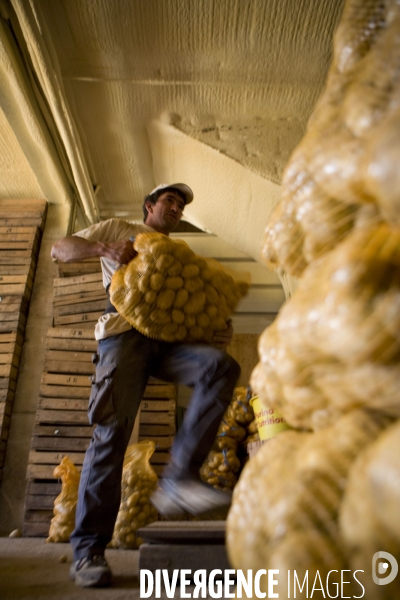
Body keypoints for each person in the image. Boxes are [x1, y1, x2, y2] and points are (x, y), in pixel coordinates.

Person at [51, 183, 241, 588]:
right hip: (124, 336)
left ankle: (179, 478)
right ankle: (88, 551)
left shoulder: (181, 256)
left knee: (220, 367)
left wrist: (212, 330)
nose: (176, 207)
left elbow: (188, 306)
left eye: (182, 204)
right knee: (111, 438)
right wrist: (105, 250)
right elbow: (60, 250)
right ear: (149, 206)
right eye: (169, 200)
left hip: (170, 345)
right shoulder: (119, 227)